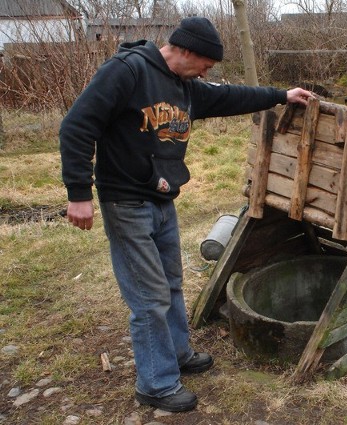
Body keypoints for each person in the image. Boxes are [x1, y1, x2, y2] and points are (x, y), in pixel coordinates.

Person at [59, 16, 314, 412]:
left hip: (161, 200)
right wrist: (79, 192)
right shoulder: (127, 71)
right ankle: (156, 384)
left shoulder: (185, 86)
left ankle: (177, 353)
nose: (207, 72)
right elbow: (77, 126)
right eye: (206, 64)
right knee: (149, 298)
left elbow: (230, 96)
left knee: (172, 283)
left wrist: (281, 94)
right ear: (186, 51)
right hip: (126, 202)